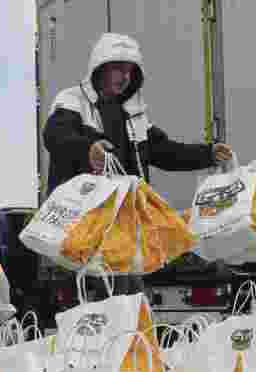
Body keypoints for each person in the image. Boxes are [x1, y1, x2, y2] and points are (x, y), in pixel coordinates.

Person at [42, 32, 235, 296]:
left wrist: (208, 154)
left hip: (123, 228)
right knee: (111, 299)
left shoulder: (134, 114)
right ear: (99, 69)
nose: (125, 77)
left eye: (130, 71)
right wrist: (88, 150)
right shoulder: (73, 100)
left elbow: (164, 151)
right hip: (84, 225)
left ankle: (126, 335)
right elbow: (55, 135)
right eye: (118, 69)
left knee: (130, 296)